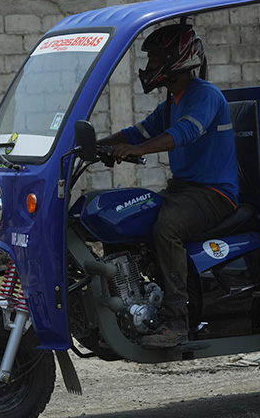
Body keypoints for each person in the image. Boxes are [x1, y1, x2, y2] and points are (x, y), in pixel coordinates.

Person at [97, 24, 238, 349]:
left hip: (214, 193)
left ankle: (177, 323)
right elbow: (137, 133)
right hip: (183, 189)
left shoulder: (205, 95)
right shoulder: (173, 102)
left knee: (166, 229)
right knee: (127, 222)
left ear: (177, 60)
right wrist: (90, 147)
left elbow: (186, 133)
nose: (148, 68)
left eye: (155, 59)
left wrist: (138, 151)